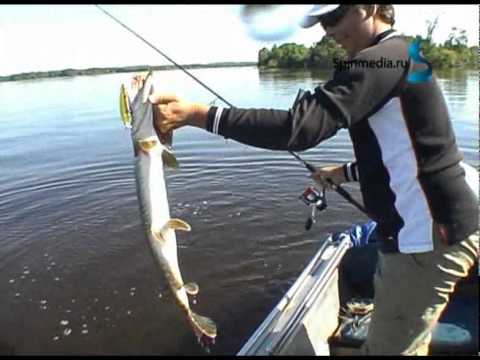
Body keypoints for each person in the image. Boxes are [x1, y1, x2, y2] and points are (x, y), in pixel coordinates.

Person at [149, 4, 479, 355]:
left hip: (426, 239)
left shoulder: (380, 59)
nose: (328, 30)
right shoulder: (405, 53)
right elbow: (417, 148)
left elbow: (298, 128)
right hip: (445, 221)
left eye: (334, 18)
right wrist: (344, 173)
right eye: (322, 21)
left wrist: (198, 114)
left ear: (368, 8)